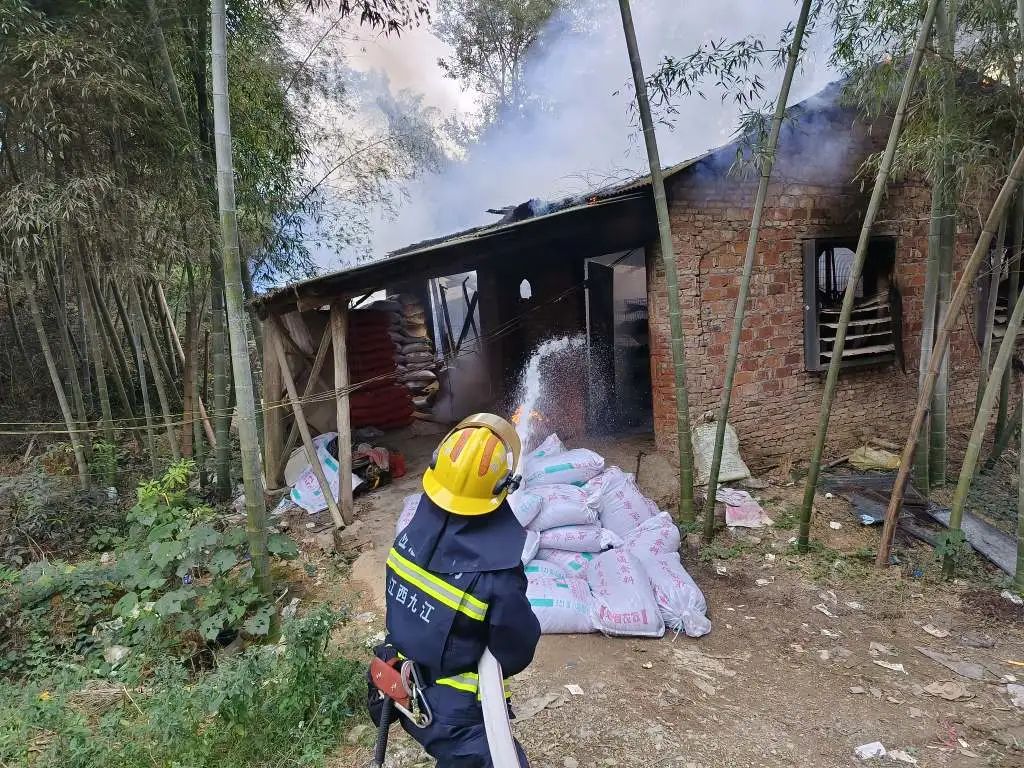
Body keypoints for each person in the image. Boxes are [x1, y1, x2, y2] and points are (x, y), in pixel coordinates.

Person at [369, 413, 541, 767]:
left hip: (400, 689)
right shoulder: (496, 576)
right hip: (453, 716)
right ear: (501, 488)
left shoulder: (408, 539)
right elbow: (516, 649)